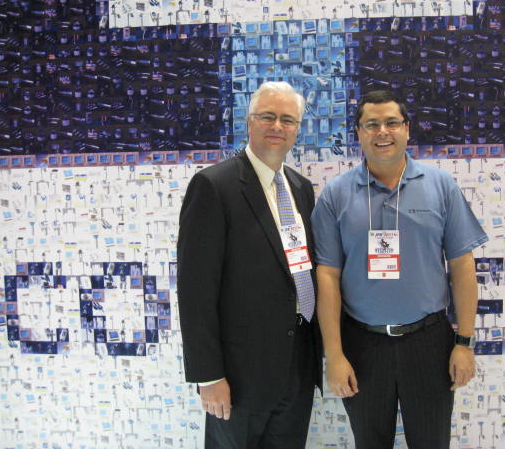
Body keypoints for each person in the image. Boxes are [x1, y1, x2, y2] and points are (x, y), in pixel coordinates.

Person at [311, 90, 488, 449]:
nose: (382, 132)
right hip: (362, 345)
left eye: (392, 122)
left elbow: (462, 265)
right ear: (359, 133)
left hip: (429, 343)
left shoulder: (441, 186)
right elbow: (327, 277)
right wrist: (335, 354)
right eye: (371, 124)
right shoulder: (336, 195)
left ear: (407, 129)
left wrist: (464, 343)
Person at [177, 81, 322, 448]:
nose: (277, 127)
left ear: (297, 130)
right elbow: (195, 292)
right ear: (249, 121)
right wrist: (209, 376)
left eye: (287, 120)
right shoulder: (214, 186)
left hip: (297, 367)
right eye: (268, 117)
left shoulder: (301, 189)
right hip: (238, 378)